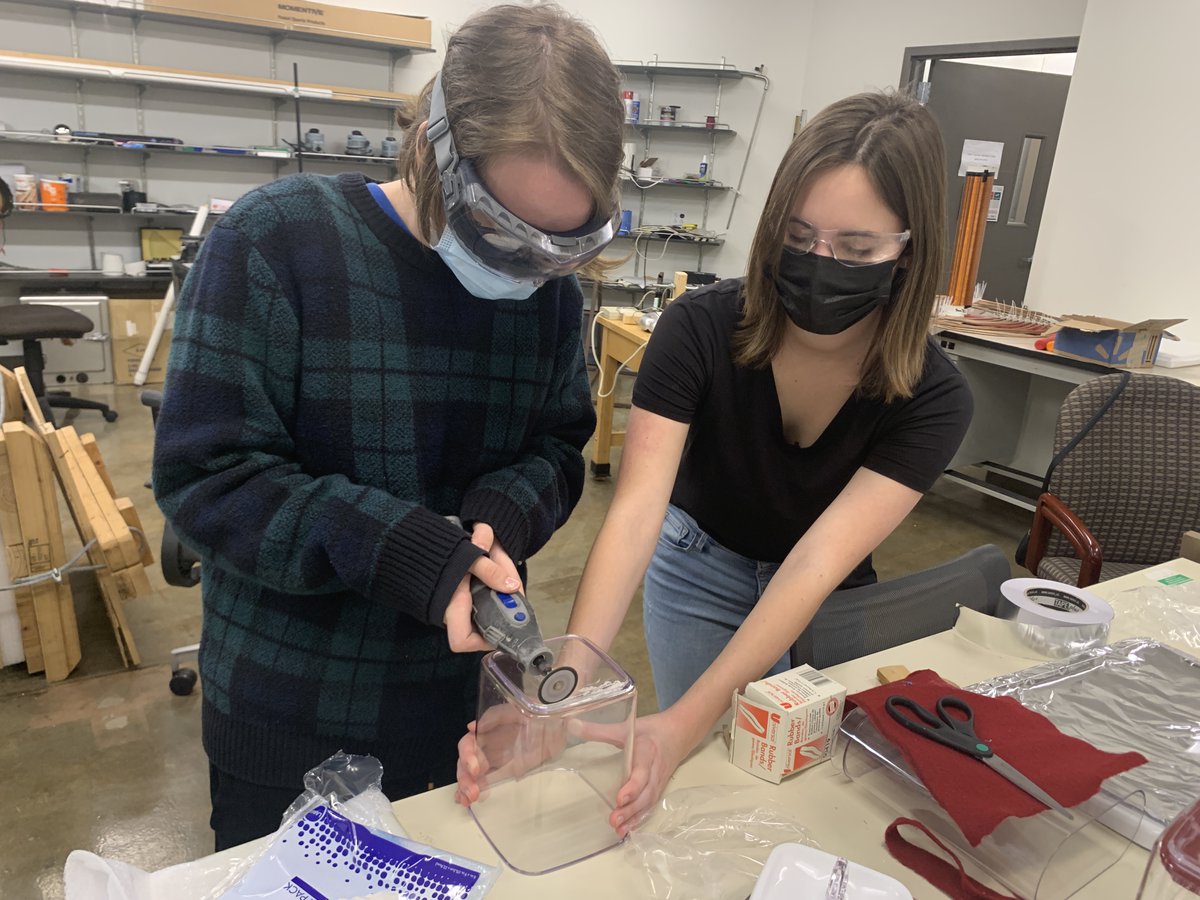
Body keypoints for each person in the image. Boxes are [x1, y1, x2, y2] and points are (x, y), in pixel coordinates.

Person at [152, 3, 624, 850]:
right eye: (501, 232)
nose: (529, 268)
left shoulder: (550, 298)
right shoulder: (277, 241)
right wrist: (413, 551)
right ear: (434, 151)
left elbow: (557, 445)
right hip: (293, 714)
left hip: (462, 705)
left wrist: (496, 520)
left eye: (562, 247)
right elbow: (209, 475)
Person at [456, 91, 973, 832]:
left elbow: (815, 565)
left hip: (828, 597)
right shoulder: (700, 328)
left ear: (910, 249)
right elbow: (633, 517)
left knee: (813, 791)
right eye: (798, 237)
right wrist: (562, 699)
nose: (821, 265)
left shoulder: (933, 396)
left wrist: (685, 723)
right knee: (701, 784)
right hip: (699, 566)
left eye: (857, 251)